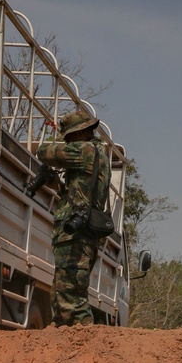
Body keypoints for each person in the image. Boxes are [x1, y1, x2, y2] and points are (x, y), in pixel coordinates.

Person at [32, 108, 112, 326]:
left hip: (76, 235)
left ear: (77, 134)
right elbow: (78, 194)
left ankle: (85, 347)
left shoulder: (84, 151)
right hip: (82, 231)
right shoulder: (97, 154)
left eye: (68, 139)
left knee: (72, 299)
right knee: (62, 293)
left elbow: (43, 152)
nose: (67, 143)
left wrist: (52, 140)